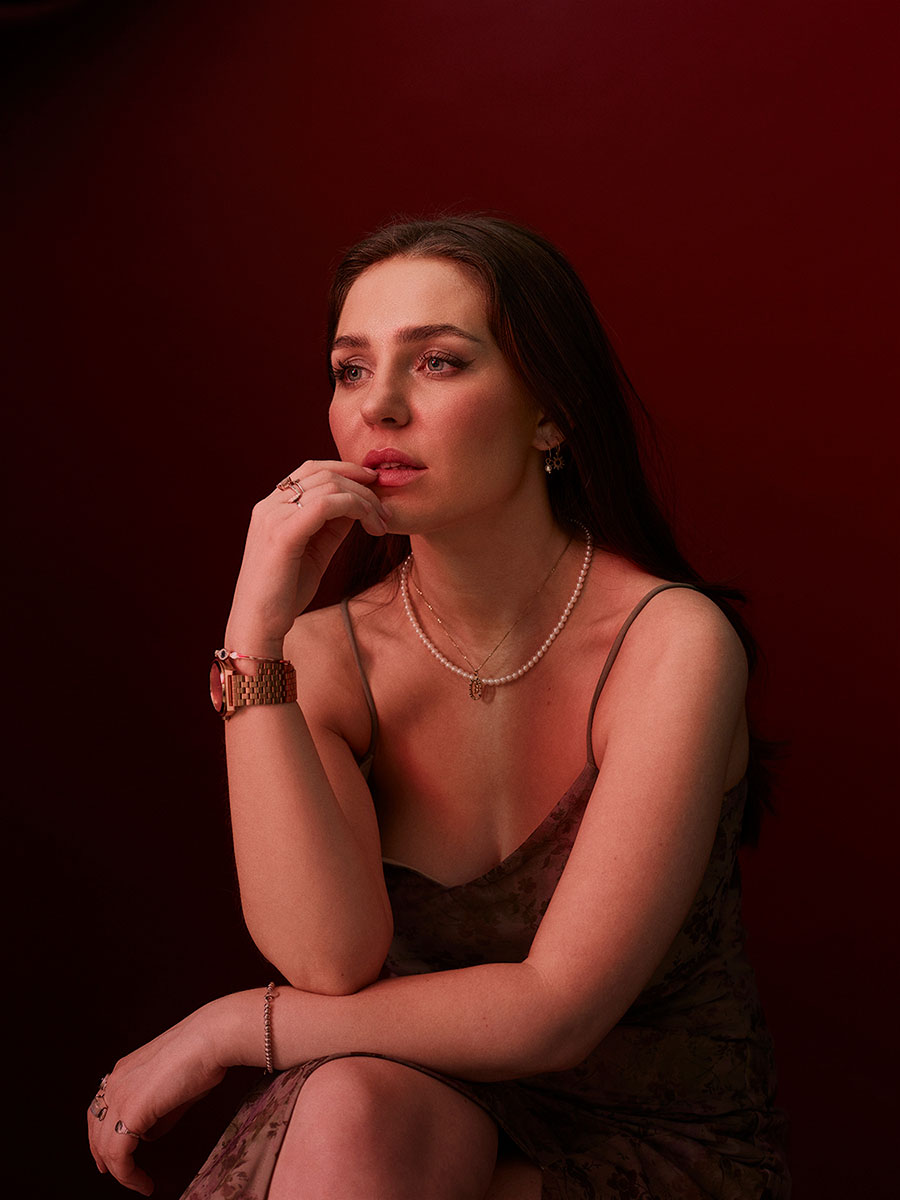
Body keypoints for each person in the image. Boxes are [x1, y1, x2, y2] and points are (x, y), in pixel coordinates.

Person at [87, 215, 790, 1199]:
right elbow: (328, 960)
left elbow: (558, 1011)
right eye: (348, 370)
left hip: (655, 1148)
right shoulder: (325, 655)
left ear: (550, 411)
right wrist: (256, 635)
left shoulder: (670, 642)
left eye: (439, 364)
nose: (379, 407)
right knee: (350, 1109)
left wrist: (231, 1027)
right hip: (411, 1117)